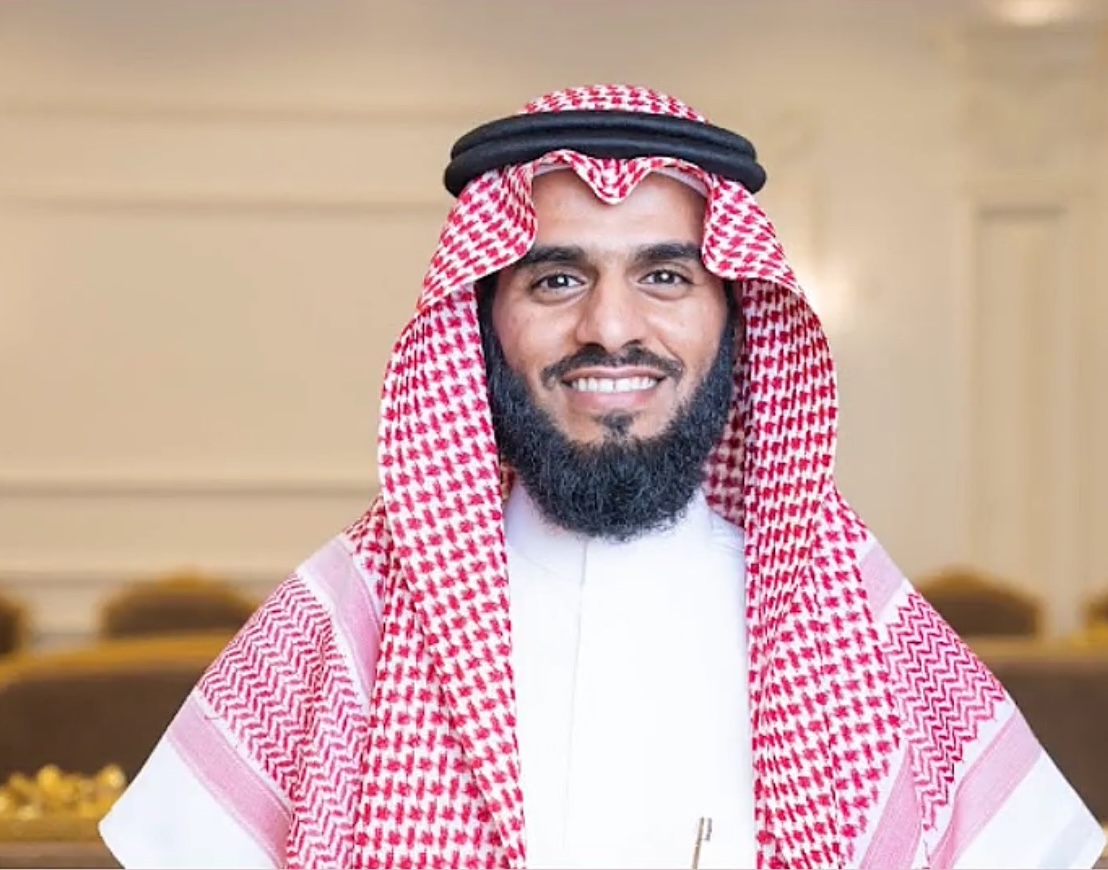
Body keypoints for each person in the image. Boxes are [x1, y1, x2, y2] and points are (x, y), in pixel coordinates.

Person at [98, 84, 1104, 870]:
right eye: (556, 278)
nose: (611, 326)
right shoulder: (344, 620)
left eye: (665, 276)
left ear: (735, 318)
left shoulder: (855, 615)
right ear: (483, 322)